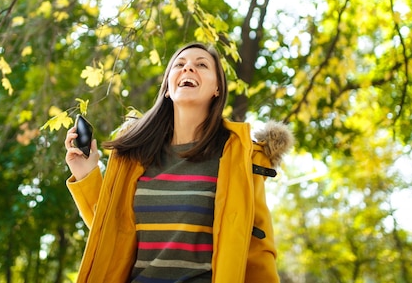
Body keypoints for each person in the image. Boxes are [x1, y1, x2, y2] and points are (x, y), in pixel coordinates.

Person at [64, 42, 294, 283]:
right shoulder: (134, 153)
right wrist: (85, 173)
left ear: (217, 88)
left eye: (201, 65)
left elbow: (258, 251)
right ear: (167, 88)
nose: (188, 69)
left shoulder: (241, 157)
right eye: (180, 65)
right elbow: (111, 234)